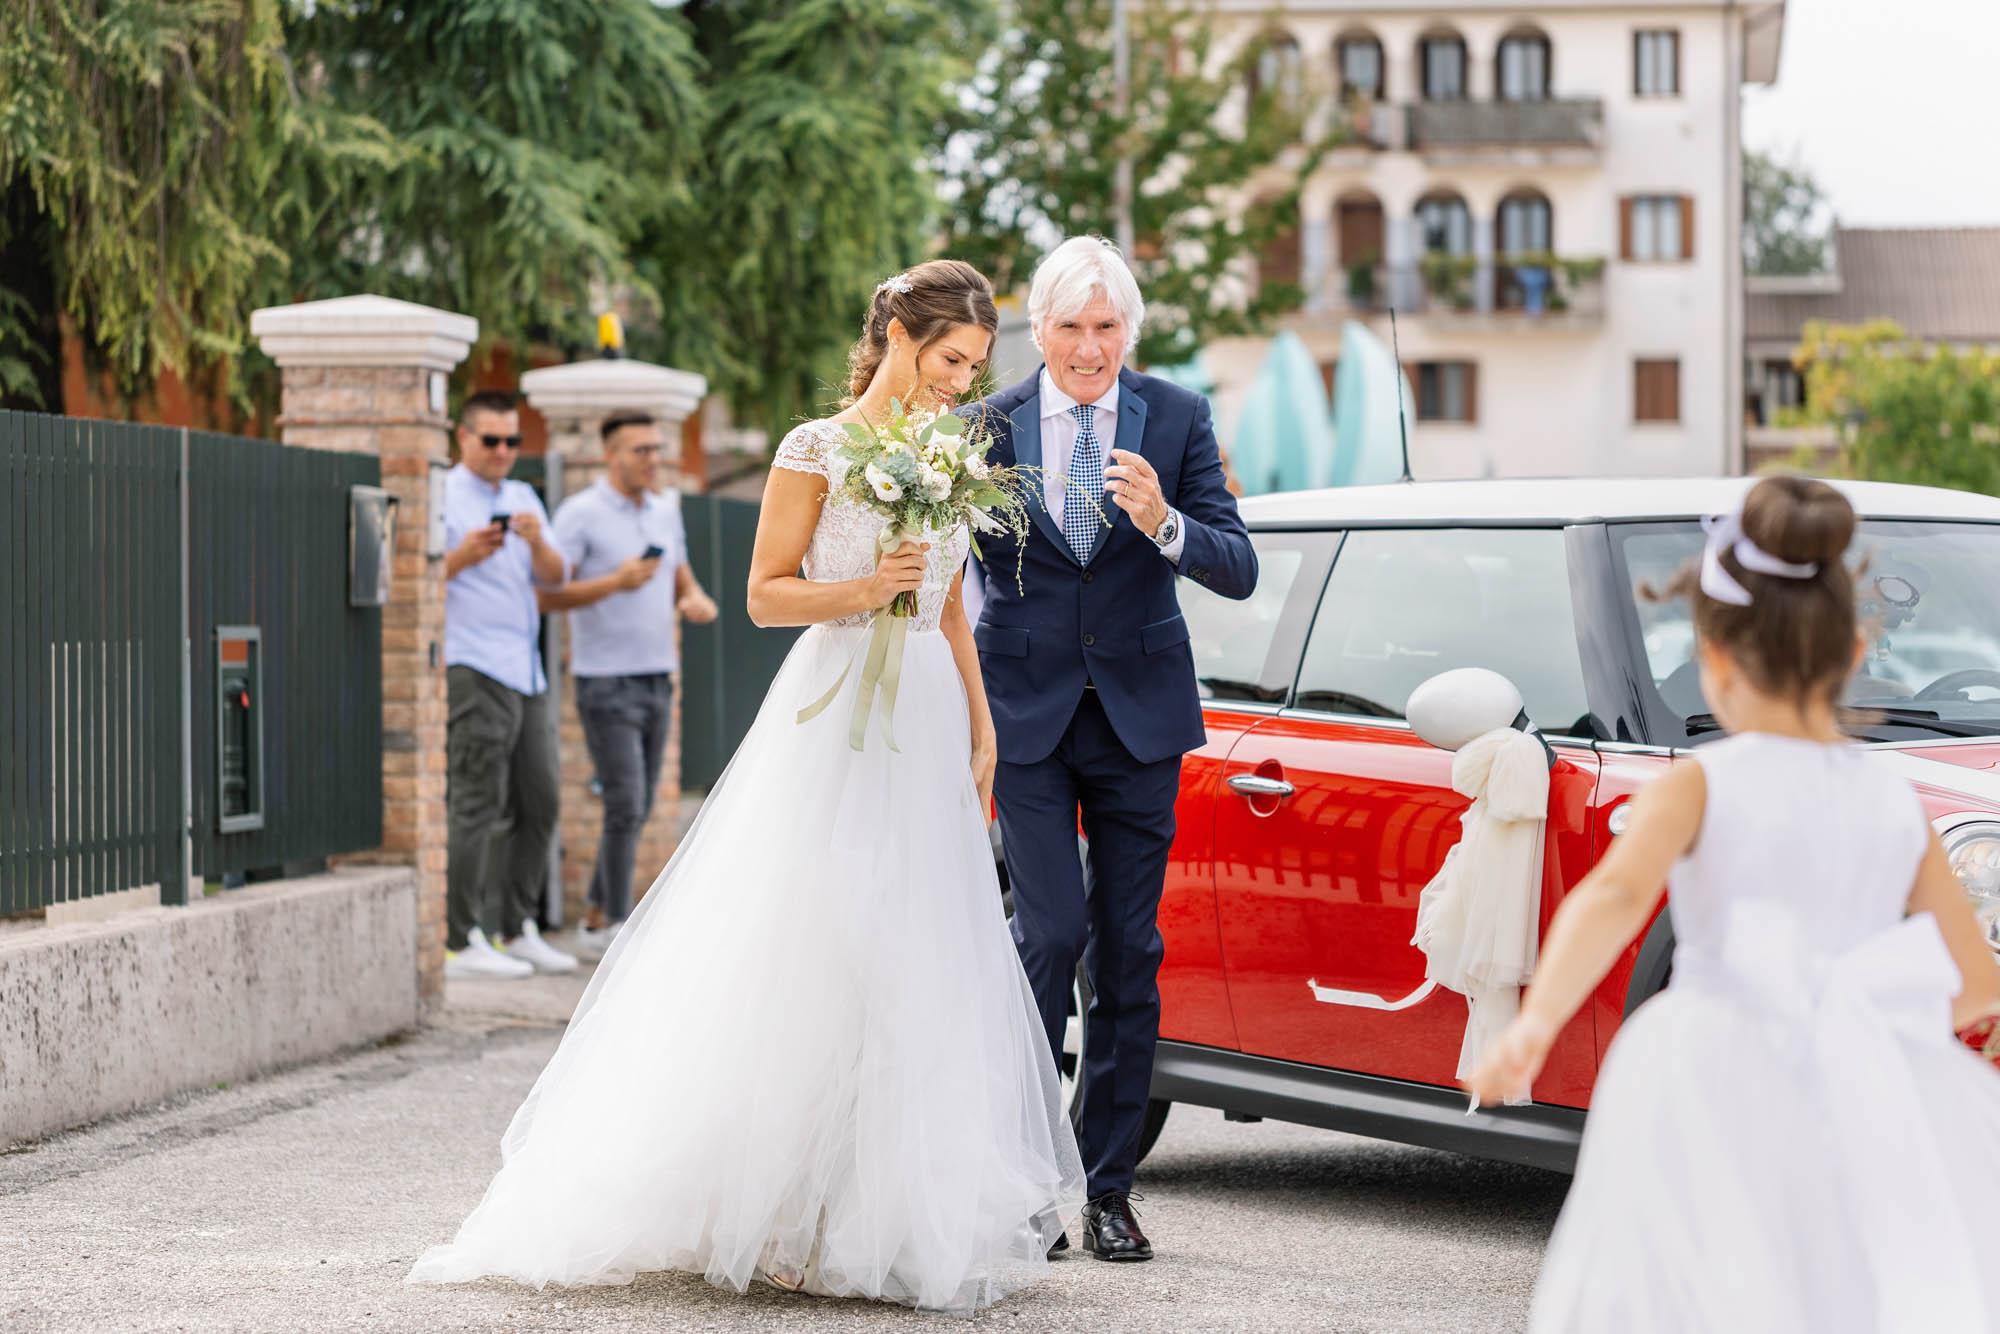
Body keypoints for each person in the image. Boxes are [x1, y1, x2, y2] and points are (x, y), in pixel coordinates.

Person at [409, 260, 1083, 1314]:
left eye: (972, 367)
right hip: (832, 712)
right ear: (900, 335)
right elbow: (767, 595)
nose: (961, 382)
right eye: (951, 359)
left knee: (913, 951)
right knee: (819, 940)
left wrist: (982, 715)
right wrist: (870, 586)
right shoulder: (811, 448)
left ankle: (877, 1212)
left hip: (925, 713)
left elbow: (950, 602)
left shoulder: (950, 450)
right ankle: (779, 1208)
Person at [1466, 476, 2000, 1332]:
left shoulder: (1704, 785)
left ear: (1714, 659)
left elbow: (1610, 899)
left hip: (1713, 1069)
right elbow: (1974, 982)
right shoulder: (1895, 803)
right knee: (1841, 1282)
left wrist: (1530, 1030)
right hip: (1858, 1081)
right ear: (1855, 649)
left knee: (1701, 1279)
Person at [967, 236, 1257, 1261]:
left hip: (1139, 717)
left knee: (1128, 953)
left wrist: (1164, 520)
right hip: (1029, 717)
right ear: (1035, 329)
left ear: (1126, 332)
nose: (1089, 348)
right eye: (1069, 328)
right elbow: (945, 575)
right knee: (1046, 934)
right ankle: (1017, 1186)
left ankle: (1107, 1190)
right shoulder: (985, 424)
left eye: (1106, 328)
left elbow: (1238, 564)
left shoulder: (1174, 416)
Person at [543, 411, 718, 957]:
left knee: (635, 806)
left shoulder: (665, 510)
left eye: (656, 448)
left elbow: (679, 575)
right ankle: (611, 923)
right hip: (604, 679)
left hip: (656, 676)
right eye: (640, 449)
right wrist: (614, 583)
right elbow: (549, 595)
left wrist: (693, 598)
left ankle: (597, 915)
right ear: (610, 454)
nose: (652, 458)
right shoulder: (580, 515)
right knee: (627, 800)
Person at [441, 389, 578, 981]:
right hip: (472, 666)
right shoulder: (443, 496)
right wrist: (463, 555)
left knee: (542, 799)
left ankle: (517, 928)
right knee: (476, 802)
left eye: (511, 442)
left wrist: (537, 542)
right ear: (463, 437)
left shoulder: (523, 496)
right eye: (490, 440)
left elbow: (556, 576)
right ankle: (458, 937)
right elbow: (417, 579)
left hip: (526, 669)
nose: (502, 452)